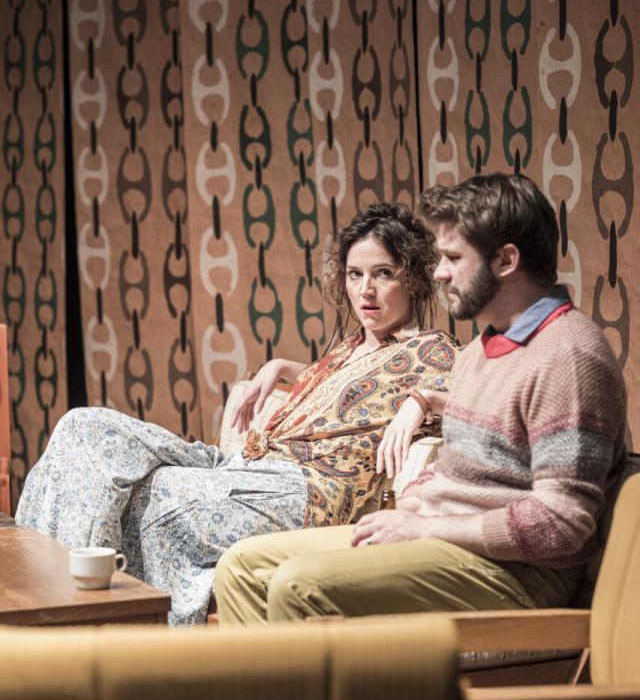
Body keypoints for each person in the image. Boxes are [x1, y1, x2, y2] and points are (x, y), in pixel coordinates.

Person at [15, 202, 459, 624]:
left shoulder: (432, 351)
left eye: (384, 274)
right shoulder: (350, 348)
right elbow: (354, 390)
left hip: (303, 492)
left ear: (413, 278)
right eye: (355, 274)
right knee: (82, 425)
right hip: (245, 466)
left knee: (151, 492)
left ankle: (70, 618)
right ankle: (38, 595)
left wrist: (422, 401)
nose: (366, 290)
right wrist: (282, 366)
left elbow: (478, 399)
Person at [216, 173, 628, 625]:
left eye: (454, 257)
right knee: (241, 567)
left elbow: (561, 525)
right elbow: (452, 471)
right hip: (445, 542)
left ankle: (317, 675)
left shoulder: (568, 357)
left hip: (517, 574)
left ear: (506, 260)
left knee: (298, 584)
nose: (438, 272)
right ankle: (277, 676)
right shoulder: (481, 350)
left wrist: (425, 527)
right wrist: (408, 510)